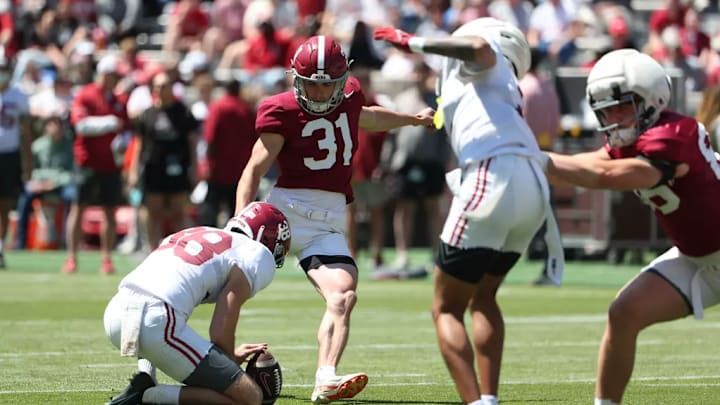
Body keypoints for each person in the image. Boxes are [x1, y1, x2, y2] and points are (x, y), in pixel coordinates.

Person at [234, 35, 434, 404]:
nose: (323, 91)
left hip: (327, 220)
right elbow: (253, 170)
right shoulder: (281, 110)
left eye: (329, 83)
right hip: (283, 213)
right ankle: (192, 352)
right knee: (227, 285)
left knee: (342, 296)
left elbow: (368, 117)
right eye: (314, 83)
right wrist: (239, 222)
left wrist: (411, 120)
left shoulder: (352, 97)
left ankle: (325, 377)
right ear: (297, 78)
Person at [374, 17, 563, 405]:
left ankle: (476, 403)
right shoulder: (506, 86)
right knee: (485, 296)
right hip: (532, 184)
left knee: (445, 306)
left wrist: (414, 43)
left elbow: (477, 48)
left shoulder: (483, 61)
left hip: (492, 175)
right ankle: (488, 398)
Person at [542, 48, 720, 405]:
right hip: (696, 259)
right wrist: (530, 159)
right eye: (605, 108)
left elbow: (608, 175)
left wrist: (534, 161)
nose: (612, 117)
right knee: (623, 313)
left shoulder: (675, 133)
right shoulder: (635, 138)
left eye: (621, 106)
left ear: (651, 99)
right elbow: (589, 162)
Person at [103, 201, 291, 405]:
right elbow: (221, 326)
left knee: (167, 322)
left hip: (117, 312)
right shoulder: (257, 254)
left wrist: (225, 360)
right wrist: (229, 364)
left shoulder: (196, 231)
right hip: (156, 320)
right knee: (251, 397)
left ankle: (145, 377)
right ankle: (147, 395)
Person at [65, 54, 128, 274]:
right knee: (78, 208)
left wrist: (122, 143)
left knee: (109, 211)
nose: (114, 79)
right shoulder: (86, 95)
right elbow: (81, 126)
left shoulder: (119, 100)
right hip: (87, 162)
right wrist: (109, 123)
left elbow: (125, 128)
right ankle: (72, 257)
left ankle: (106, 258)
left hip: (110, 164)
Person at [0, 58, 31, 268]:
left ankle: (0, 247)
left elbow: (26, 132)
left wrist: (28, 163)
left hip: (10, 155)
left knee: (5, 205)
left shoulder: (19, 95)